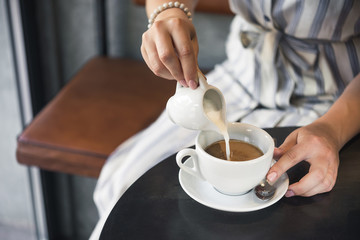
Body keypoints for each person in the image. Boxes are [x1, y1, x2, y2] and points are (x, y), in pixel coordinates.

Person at [90, 0, 360, 238]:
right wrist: (169, 13)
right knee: (123, 184)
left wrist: (332, 129)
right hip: (238, 79)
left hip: (335, 102)